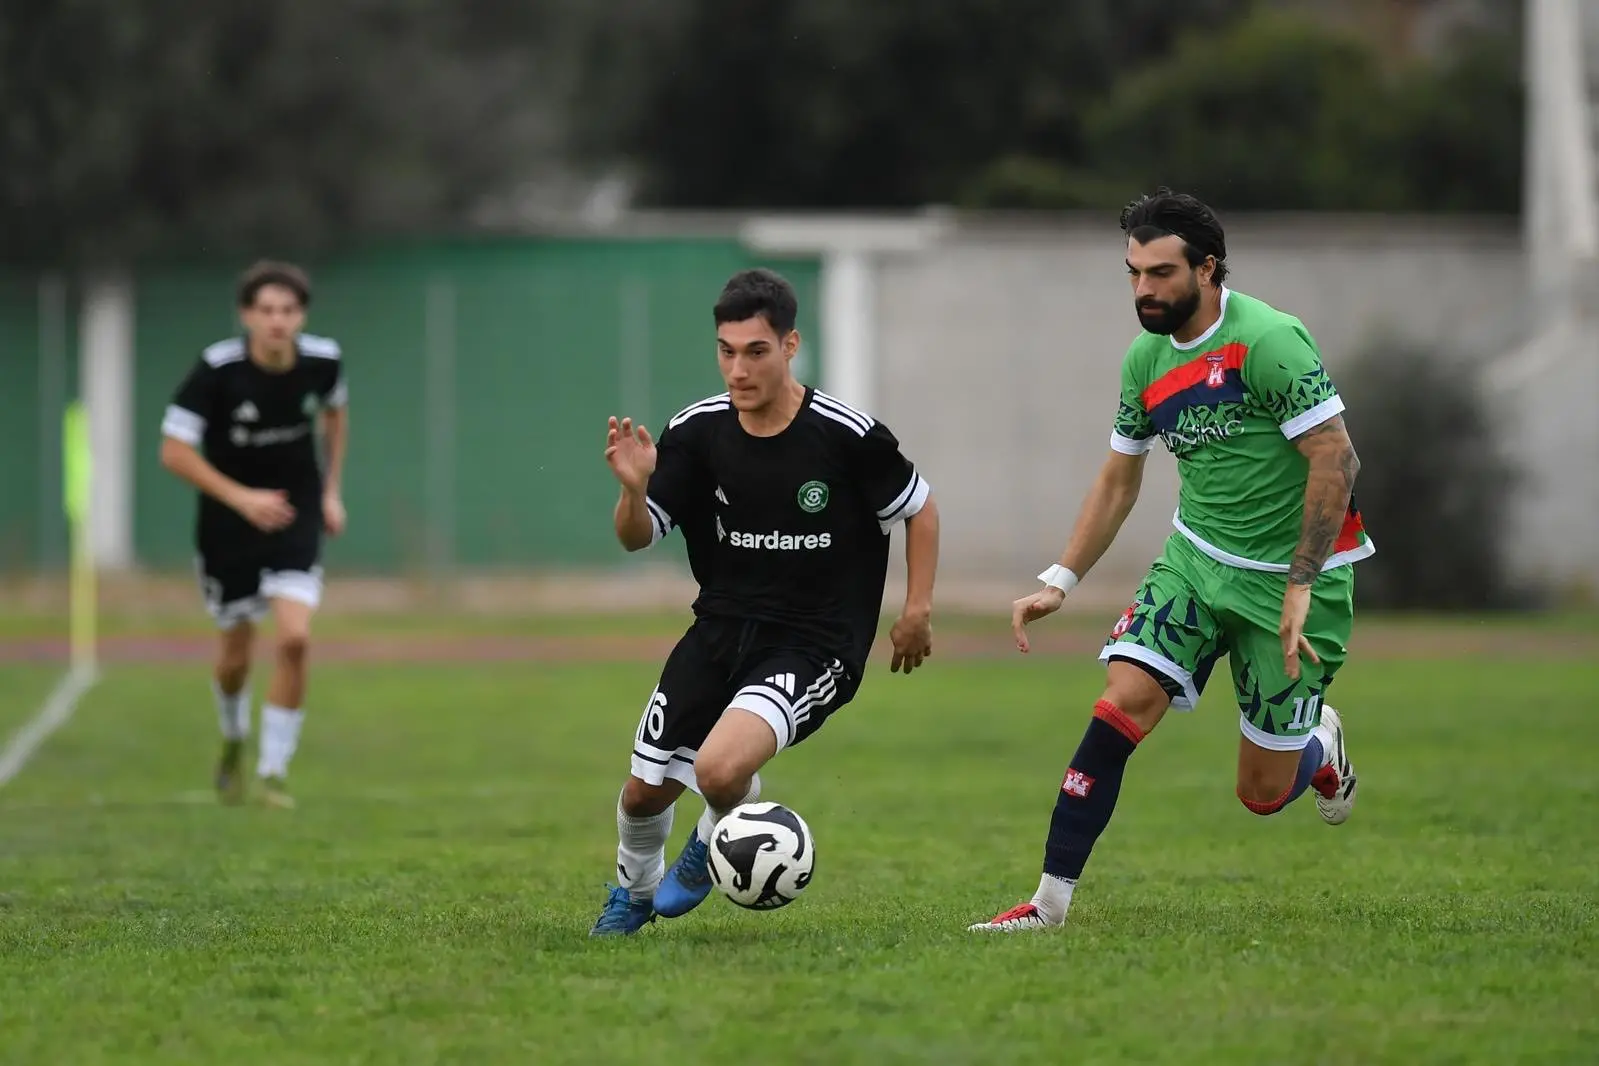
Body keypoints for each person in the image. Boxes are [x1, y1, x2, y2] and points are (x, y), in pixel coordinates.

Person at [969, 188, 1369, 932]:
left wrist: (1300, 584)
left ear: (1207, 268)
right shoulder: (1146, 359)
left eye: (1158, 274)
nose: (1142, 290)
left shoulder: (1269, 340)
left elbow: (1335, 459)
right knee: (1120, 700)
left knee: (1257, 792)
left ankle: (1318, 743)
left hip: (1294, 580)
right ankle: (1047, 905)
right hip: (1194, 561)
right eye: (1132, 274)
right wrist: (1060, 579)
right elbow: (1120, 475)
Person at [591, 267, 940, 936]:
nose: (737, 368)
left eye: (755, 351)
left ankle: (715, 828)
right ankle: (632, 897)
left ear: (789, 345)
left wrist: (915, 610)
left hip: (816, 643)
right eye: (726, 351)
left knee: (720, 771)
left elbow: (919, 509)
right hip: (720, 630)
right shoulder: (695, 432)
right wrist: (633, 490)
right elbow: (636, 538)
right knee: (642, 794)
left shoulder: (846, 435)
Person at [159, 260, 349, 810]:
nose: (277, 321)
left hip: (295, 514)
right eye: (265, 310)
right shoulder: (217, 370)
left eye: (288, 310)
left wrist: (332, 490)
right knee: (236, 652)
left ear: (301, 316)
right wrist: (241, 498)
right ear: (246, 315)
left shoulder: (324, 360)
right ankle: (234, 737)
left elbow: (336, 417)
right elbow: (172, 451)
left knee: (294, 638)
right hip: (228, 524)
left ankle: (272, 772)